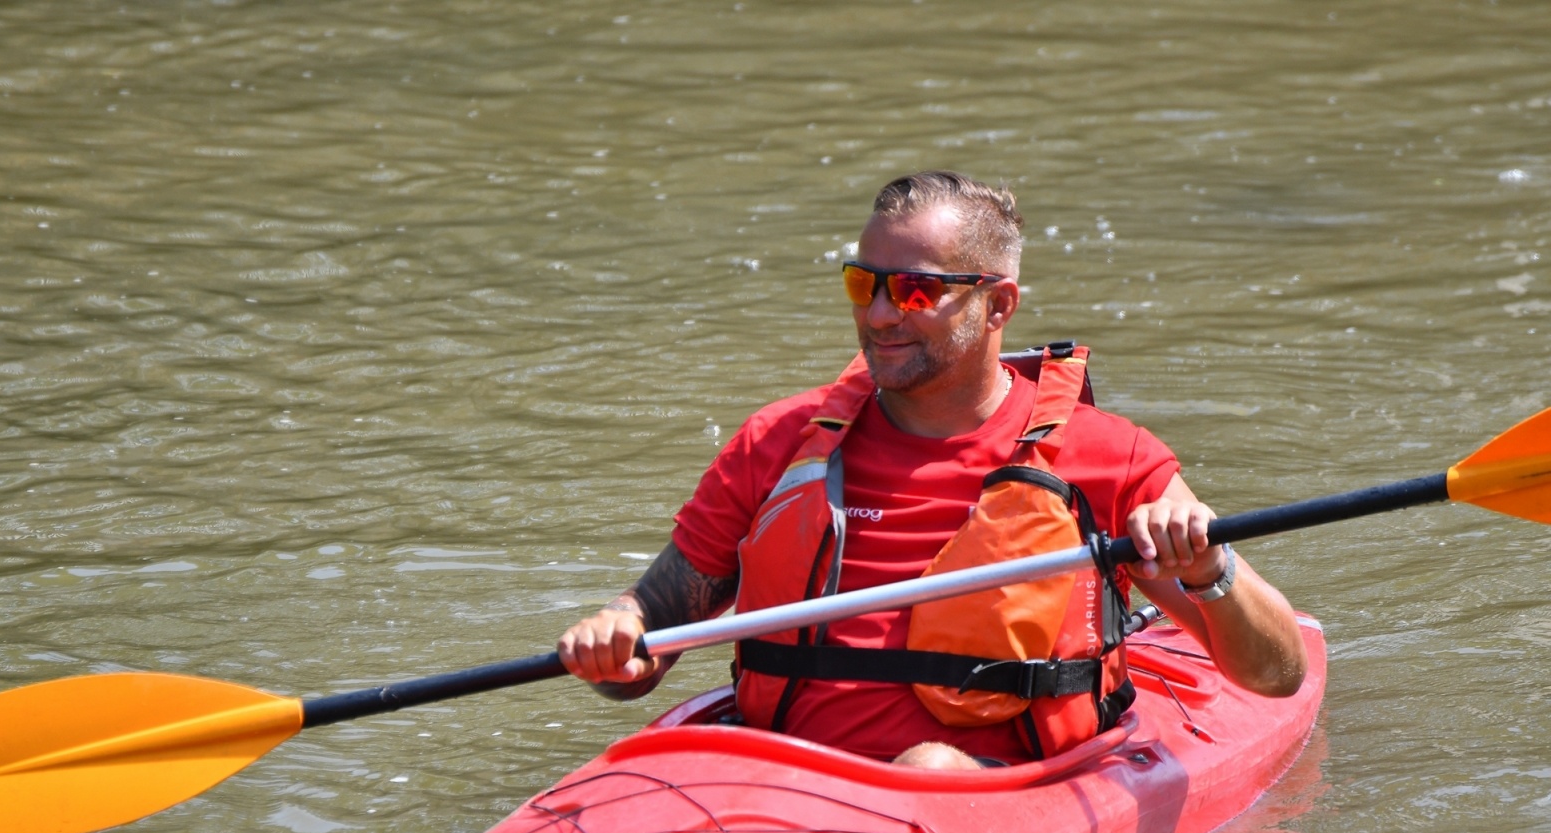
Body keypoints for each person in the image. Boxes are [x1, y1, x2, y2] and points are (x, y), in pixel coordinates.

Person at [558, 170, 1307, 769]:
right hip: (776, 781)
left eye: (916, 291)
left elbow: (1276, 675)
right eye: (864, 284)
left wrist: (1209, 568)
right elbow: (653, 624)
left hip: (969, 796)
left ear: (997, 304)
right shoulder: (779, 440)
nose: (881, 315)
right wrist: (617, 637)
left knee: (927, 766)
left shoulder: (1106, 455)